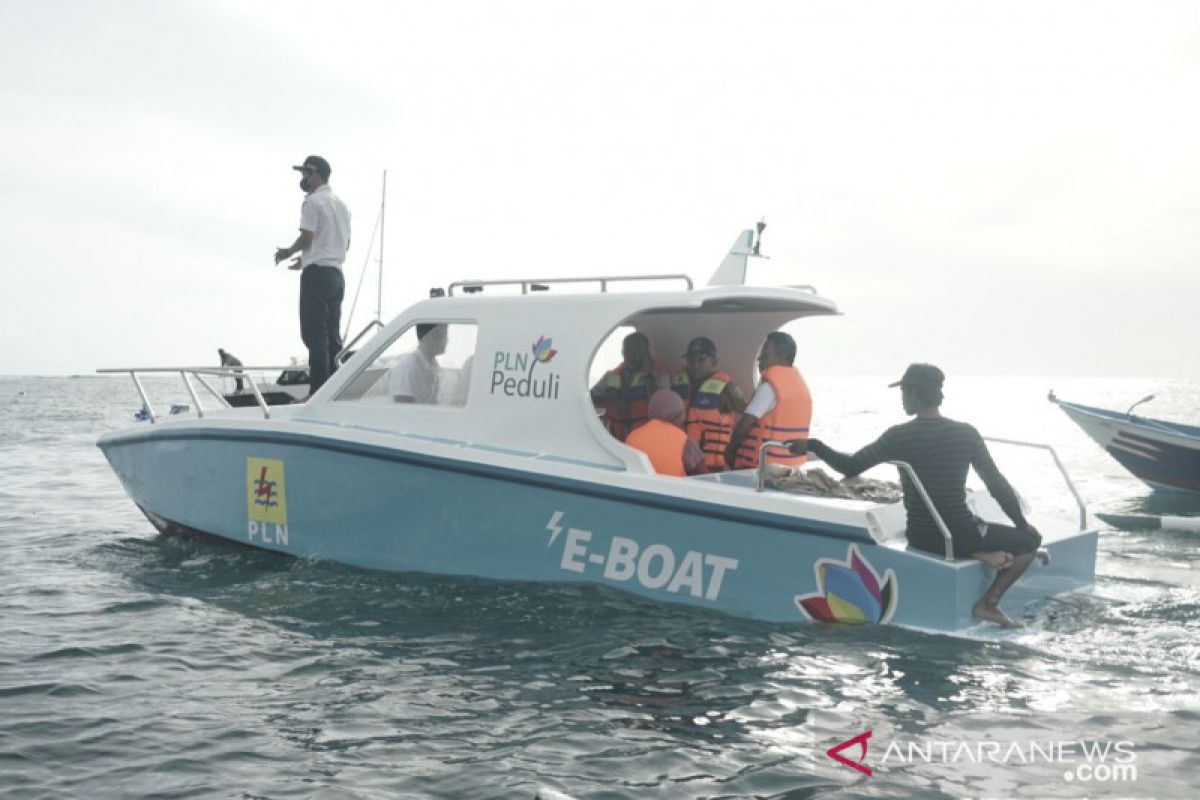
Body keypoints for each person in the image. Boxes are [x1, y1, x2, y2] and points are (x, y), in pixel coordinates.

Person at [790, 363, 1042, 628]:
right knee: (1029, 542)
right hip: (959, 536)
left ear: (913, 394)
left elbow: (850, 467)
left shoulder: (899, 436)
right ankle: (988, 603)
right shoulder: (966, 434)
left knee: (972, 532)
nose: (901, 400)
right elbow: (996, 484)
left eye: (903, 393)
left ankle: (983, 561)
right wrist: (1022, 524)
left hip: (921, 536)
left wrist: (813, 445)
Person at [274, 155, 351, 396]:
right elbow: (343, 245)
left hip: (317, 277)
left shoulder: (313, 202)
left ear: (316, 174)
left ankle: (317, 391)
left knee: (314, 334)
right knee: (332, 335)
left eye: (306, 174)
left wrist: (288, 252)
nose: (303, 179)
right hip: (336, 275)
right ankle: (334, 389)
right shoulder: (342, 205)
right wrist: (305, 259)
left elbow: (307, 238)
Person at [724, 331, 811, 470]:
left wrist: (730, 452)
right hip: (792, 465)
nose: (759, 359)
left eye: (765, 355)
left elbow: (743, 427)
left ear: (781, 356)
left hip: (763, 469)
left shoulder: (769, 387)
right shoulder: (801, 387)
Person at [671, 336, 747, 471]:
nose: (695, 365)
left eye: (701, 360)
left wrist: (732, 450)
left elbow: (746, 412)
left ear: (714, 361)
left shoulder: (725, 386)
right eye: (691, 360)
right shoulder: (679, 381)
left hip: (710, 466)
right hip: (681, 460)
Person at [590, 332, 670, 441]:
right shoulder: (611, 375)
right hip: (616, 440)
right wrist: (609, 397)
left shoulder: (660, 376)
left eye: (636, 351)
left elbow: (662, 408)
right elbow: (589, 398)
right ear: (622, 352)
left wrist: (647, 375)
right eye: (627, 351)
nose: (631, 355)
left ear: (647, 353)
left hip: (646, 439)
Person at [626, 390, 707, 476]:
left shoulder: (632, 437)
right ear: (679, 414)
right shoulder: (686, 443)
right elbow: (704, 478)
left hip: (637, 488)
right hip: (671, 489)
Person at [388, 324, 447, 404]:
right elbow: (403, 410)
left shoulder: (433, 365)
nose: (446, 340)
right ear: (427, 337)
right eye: (441, 335)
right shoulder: (408, 367)